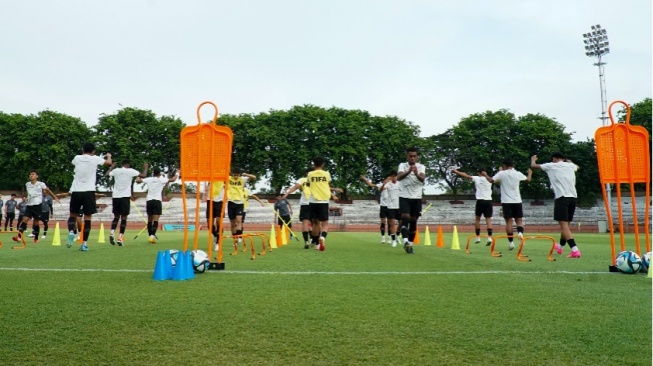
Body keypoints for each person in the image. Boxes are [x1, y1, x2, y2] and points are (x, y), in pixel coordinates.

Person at [531, 152, 581, 258]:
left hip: (561, 197)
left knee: (564, 227)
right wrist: (569, 161)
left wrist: (533, 159)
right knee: (566, 226)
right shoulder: (571, 165)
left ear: (554, 158)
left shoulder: (551, 165)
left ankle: (575, 250)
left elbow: (533, 166)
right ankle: (560, 247)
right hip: (573, 197)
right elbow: (577, 167)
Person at [67, 142, 112, 251]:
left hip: (76, 190)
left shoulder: (77, 158)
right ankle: (84, 244)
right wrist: (109, 156)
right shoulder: (95, 159)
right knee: (88, 218)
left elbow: (75, 162)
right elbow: (109, 163)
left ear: (83, 150)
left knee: (73, 214)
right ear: (93, 151)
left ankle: (71, 231)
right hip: (89, 191)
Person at [483, 158, 532, 250]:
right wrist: (530, 173)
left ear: (504, 165)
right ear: (512, 165)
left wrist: (485, 175)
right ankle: (520, 233)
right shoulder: (517, 173)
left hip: (506, 201)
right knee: (519, 221)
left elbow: (490, 180)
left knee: (509, 222)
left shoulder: (502, 173)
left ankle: (511, 243)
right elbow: (528, 180)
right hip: (517, 200)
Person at [105, 160, 148, 246]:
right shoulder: (131, 171)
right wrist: (146, 168)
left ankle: (112, 232)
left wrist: (111, 167)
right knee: (124, 218)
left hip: (116, 196)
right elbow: (143, 175)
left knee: (116, 216)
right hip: (125, 197)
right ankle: (120, 238)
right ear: (128, 164)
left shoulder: (116, 170)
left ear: (122, 164)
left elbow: (106, 174)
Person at [12, 170, 60, 244]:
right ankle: (19, 237)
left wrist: (55, 197)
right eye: (30, 174)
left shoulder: (41, 184)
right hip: (29, 205)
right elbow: (30, 193)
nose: (31, 175)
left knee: (36, 223)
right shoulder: (27, 184)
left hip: (37, 206)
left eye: (33, 174)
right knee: (24, 220)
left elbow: (48, 190)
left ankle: (36, 238)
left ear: (37, 176)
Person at [452, 167, 494, 246]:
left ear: (478, 173)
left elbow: (466, 175)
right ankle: (489, 237)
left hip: (480, 201)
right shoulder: (490, 179)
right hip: (488, 200)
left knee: (477, 219)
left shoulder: (477, 178)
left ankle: (478, 237)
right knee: (488, 220)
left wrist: (456, 171)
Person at [136, 168, 178, 244]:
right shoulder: (162, 179)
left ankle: (150, 237)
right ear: (159, 173)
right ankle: (152, 236)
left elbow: (138, 181)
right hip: (157, 201)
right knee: (155, 219)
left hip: (149, 201)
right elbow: (173, 179)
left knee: (149, 220)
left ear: (153, 173)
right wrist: (177, 173)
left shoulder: (149, 179)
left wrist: (140, 175)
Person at [397, 147, 426, 254]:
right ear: (407, 156)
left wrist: (417, 173)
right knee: (405, 217)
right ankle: (405, 241)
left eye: (414, 156)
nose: (412, 158)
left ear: (417, 157)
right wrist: (409, 171)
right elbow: (399, 177)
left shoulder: (421, 167)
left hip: (416, 197)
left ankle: (410, 245)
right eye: (410, 156)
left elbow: (422, 179)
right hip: (404, 196)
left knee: (413, 221)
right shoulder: (402, 165)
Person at [307, 156, 339, 251]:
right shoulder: (326, 174)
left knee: (315, 223)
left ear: (313, 164)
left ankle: (316, 242)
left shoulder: (310, 174)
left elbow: (309, 184)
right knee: (325, 224)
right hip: (323, 201)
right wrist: (333, 195)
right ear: (323, 164)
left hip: (313, 201)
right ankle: (322, 237)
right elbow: (326, 185)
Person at [282, 168, 314, 248]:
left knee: (305, 223)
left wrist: (287, 193)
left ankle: (307, 241)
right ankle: (314, 240)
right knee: (314, 223)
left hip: (305, 203)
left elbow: (295, 187)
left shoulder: (302, 179)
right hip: (315, 203)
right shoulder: (316, 180)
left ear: (306, 173)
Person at [361, 174, 393, 244]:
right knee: (383, 221)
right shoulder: (381, 185)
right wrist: (364, 179)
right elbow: (371, 185)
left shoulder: (393, 186)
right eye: (387, 179)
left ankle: (390, 237)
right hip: (383, 206)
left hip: (391, 206)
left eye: (390, 179)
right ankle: (383, 237)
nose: (389, 180)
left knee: (390, 222)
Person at [227, 169, 256, 246]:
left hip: (240, 202)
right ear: (232, 174)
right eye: (234, 175)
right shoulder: (229, 178)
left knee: (239, 220)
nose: (236, 176)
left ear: (239, 175)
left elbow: (254, 177)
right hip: (231, 202)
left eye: (237, 175)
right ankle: (235, 239)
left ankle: (239, 236)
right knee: (232, 223)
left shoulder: (242, 179)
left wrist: (246, 174)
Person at [202, 180, 225, 251]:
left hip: (220, 201)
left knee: (219, 221)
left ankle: (217, 242)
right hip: (210, 200)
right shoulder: (210, 176)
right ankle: (215, 235)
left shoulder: (224, 177)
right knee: (210, 225)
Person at [380, 171, 400, 247]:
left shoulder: (400, 184)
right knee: (391, 223)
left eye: (395, 176)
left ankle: (397, 235)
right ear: (391, 177)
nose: (394, 177)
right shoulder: (388, 184)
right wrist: (384, 184)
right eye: (393, 176)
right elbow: (381, 190)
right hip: (390, 206)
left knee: (401, 222)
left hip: (399, 206)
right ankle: (393, 240)